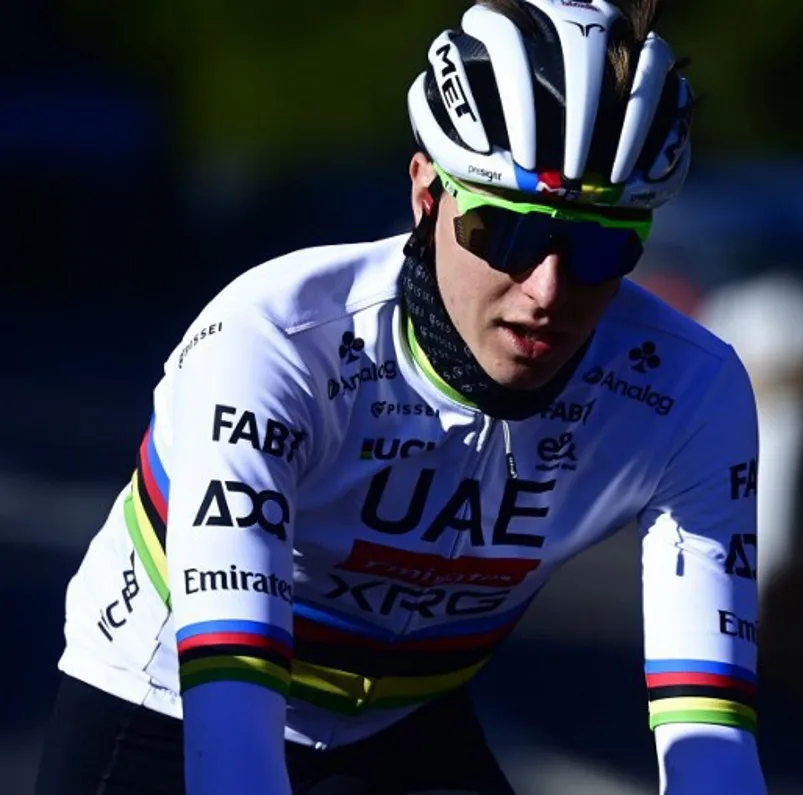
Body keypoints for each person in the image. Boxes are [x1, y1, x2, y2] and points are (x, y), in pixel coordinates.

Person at [35, 1, 766, 793]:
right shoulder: (275, 340)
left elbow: (711, 742)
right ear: (426, 193)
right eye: (508, 232)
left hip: (401, 719)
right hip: (170, 699)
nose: (547, 287)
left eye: (600, 245)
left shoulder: (687, 391)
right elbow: (233, 733)